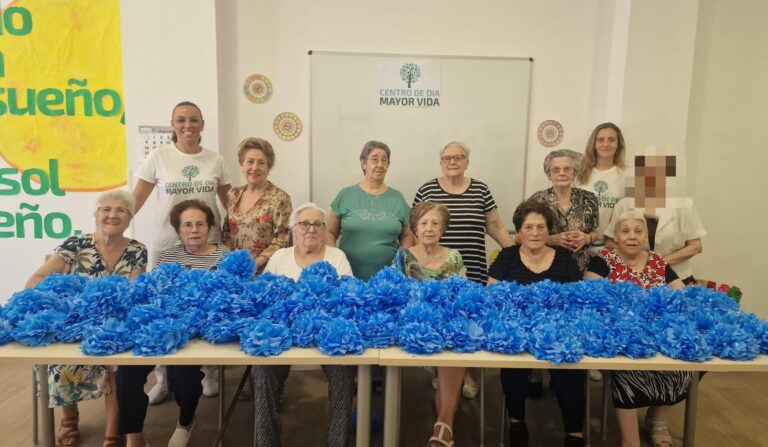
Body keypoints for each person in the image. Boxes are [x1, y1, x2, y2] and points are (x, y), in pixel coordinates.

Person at [25, 190, 147, 447]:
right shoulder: (75, 246)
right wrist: (68, 305)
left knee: (119, 366)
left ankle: (112, 433)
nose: (113, 215)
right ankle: (69, 418)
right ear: (96, 215)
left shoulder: (137, 249)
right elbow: (34, 281)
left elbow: (135, 293)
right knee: (58, 360)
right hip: (74, 322)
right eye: (106, 209)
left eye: (121, 211)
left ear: (129, 217)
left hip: (115, 326)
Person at [132, 101, 231, 402]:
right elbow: (134, 201)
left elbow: (231, 205)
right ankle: (162, 378)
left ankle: (208, 372)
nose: (187, 125)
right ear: (172, 124)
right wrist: (112, 230)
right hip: (167, 244)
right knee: (165, 308)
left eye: (193, 120)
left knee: (206, 306)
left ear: (202, 124)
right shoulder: (158, 157)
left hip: (208, 245)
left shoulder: (216, 160)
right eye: (181, 120)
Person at [116, 200, 229, 447]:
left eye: (200, 224)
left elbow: (230, 296)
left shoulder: (224, 255)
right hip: (165, 326)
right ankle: (133, 434)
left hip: (201, 331)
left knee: (183, 373)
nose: (194, 229)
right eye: (187, 224)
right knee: (126, 371)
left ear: (209, 227)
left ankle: (185, 421)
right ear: (178, 230)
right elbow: (153, 292)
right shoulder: (168, 256)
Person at [413, 141, 513, 398]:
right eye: (447, 158)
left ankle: (468, 373)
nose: (452, 162)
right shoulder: (427, 189)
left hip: (473, 266)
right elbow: (416, 228)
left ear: (467, 161)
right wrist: (417, 263)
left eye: (458, 157)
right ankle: (440, 370)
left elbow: (495, 225)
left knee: (468, 319)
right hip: (433, 268)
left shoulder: (480, 189)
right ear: (440, 162)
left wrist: (514, 254)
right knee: (438, 316)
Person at [252, 203, 354, 447]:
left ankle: (337, 443)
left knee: (344, 371)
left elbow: (348, 297)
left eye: (317, 224)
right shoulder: (280, 257)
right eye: (304, 224)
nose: (311, 229)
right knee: (262, 371)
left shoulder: (337, 256)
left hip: (325, 338)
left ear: (324, 229)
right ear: (294, 229)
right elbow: (264, 297)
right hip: (283, 338)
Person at [585, 210, 688, 447]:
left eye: (638, 231)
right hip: (622, 334)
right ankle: (630, 441)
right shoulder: (602, 260)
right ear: (616, 236)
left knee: (686, 364)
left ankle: (659, 420)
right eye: (625, 231)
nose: (632, 236)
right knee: (628, 367)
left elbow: (681, 294)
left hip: (660, 332)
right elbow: (593, 297)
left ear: (645, 237)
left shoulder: (658, 261)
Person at [487, 200, 585, 447]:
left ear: (548, 230)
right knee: (514, 370)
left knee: (570, 373)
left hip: (558, 332)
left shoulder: (564, 258)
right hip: (517, 331)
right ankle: (516, 422)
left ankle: (575, 433)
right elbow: (492, 294)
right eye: (528, 227)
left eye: (540, 227)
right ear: (519, 232)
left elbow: (576, 299)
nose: (534, 233)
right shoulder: (507, 257)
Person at [392, 202, 466, 447]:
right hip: (410, 325)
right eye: (423, 223)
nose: (429, 228)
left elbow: (462, 296)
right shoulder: (403, 256)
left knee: (454, 349)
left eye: (435, 223)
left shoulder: (454, 257)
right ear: (415, 228)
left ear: (443, 229)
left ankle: (444, 424)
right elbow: (394, 295)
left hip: (445, 323)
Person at [605, 155, 706, 284]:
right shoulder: (624, 205)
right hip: (632, 278)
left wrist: (657, 263)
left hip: (676, 277)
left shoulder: (685, 205)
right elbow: (610, 241)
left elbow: (695, 246)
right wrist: (635, 261)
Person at [325, 140, 413, 280]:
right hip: (348, 276)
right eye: (375, 159)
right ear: (364, 163)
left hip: (389, 278)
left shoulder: (397, 198)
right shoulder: (346, 195)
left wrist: (400, 260)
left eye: (384, 160)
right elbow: (329, 232)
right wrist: (335, 260)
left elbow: (408, 236)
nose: (380, 165)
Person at [223, 137, 292, 273]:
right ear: (242, 165)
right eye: (250, 162)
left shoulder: (280, 198)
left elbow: (282, 240)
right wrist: (230, 261)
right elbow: (226, 233)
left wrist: (255, 263)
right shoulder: (233, 194)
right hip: (234, 269)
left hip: (266, 270)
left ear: (268, 167)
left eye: (261, 163)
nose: (254, 168)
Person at [528, 149, 599, 272]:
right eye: (556, 169)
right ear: (549, 175)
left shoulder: (589, 198)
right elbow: (522, 236)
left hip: (582, 268)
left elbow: (595, 232)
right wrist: (550, 240)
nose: (562, 173)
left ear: (574, 173)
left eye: (567, 169)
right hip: (545, 268)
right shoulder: (537, 200)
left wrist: (586, 238)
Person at [575, 123, 627, 254]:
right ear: (593, 144)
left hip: (611, 247)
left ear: (618, 144)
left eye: (611, 139)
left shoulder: (626, 176)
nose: (606, 144)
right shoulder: (578, 174)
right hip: (579, 245)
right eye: (600, 139)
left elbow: (629, 215)